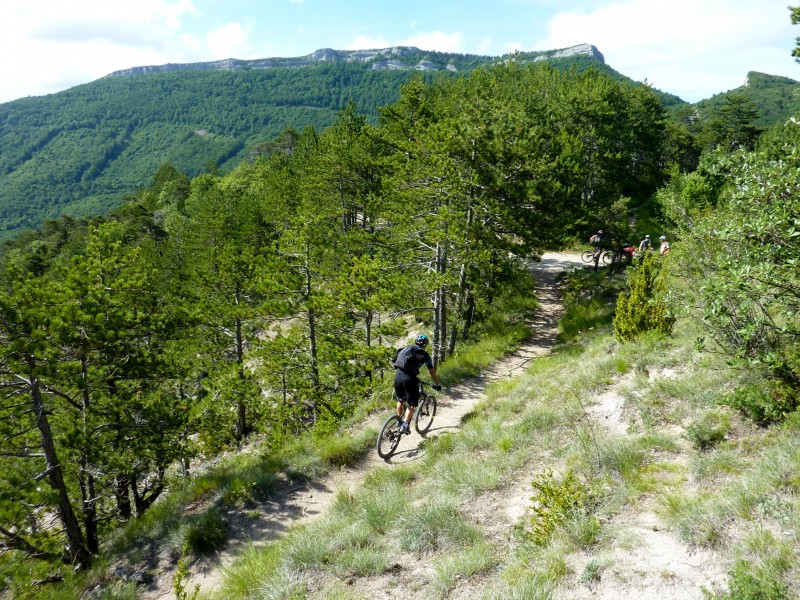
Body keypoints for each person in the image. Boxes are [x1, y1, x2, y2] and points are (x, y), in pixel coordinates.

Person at [392, 334, 442, 433]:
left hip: (398, 376)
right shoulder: (426, 356)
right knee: (412, 404)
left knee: (400, 400)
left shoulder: (406, 349)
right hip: (409, 379)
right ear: (425, 345)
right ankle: (405, 425)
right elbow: (432, 371)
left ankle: (399, 420)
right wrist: (437, 383)